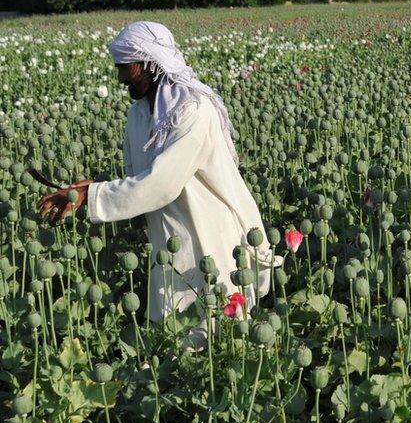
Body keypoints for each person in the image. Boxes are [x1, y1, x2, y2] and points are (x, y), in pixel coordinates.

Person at [37, 21, 276, 340]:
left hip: (206, 235)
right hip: (167, 241)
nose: (120, 78)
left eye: (126, 68)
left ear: (151, 62)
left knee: (213, 336)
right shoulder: (140, 113)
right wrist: (88, 189)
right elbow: (141, 177)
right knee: (172, 337)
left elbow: (162, 184)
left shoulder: (192, 110)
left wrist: (92, 197)